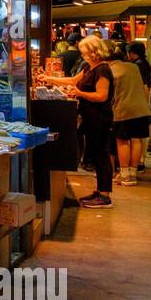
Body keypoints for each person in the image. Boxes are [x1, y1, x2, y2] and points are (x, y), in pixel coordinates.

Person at [41, 35, 114, 208]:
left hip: (100, 118)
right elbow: (74, 81)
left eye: (85, 52)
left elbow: (102, 96)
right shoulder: (90, 67)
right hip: (90, 117)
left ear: (94, 52)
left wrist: (79, 93)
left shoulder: (102, 70)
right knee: (96, 154)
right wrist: (49, 79)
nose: (84, 56)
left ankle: (105, 196)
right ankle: (100, 191)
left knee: (101, 154)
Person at [108, 43, 151, 186]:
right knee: (136, 139)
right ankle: (133, 173)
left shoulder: (111, 70)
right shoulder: (133, 67)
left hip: (124, 109)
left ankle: (125, 174)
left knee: (122, 141)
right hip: (141, 108)